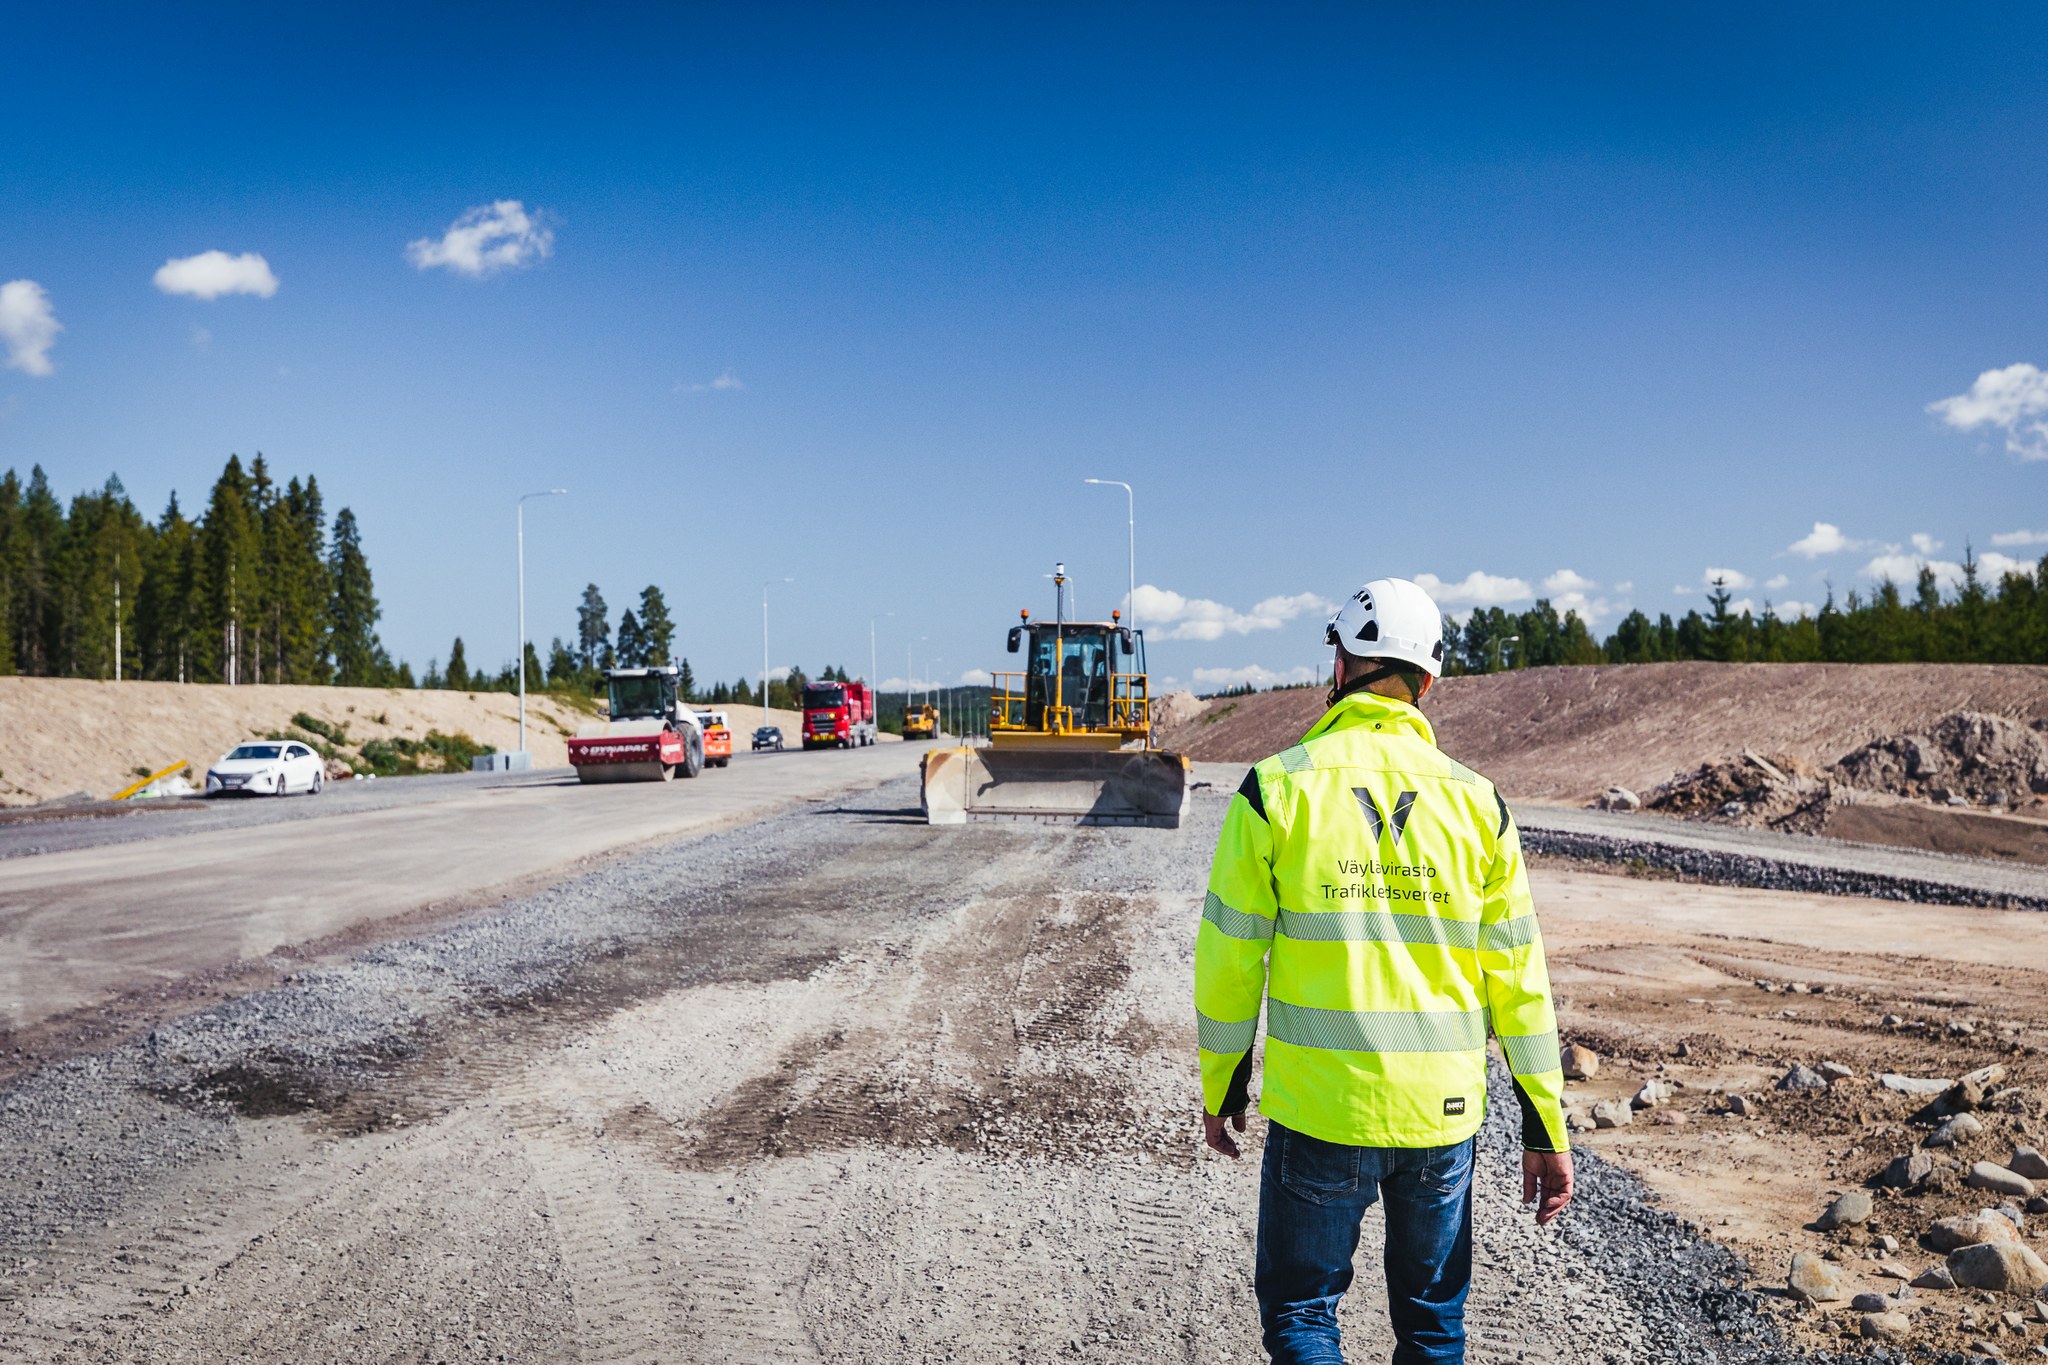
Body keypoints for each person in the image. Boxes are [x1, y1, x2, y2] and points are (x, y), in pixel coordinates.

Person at [1193, 577, 1572, 1365]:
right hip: (1441, 1113)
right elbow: (1519, 979)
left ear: (1341, 663)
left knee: (1304, 1312)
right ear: (1427, 682)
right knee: (1432, 1325)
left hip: (1321, 1108)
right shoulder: (1479, 804)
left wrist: (1222, 1080)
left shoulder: (1276, 788)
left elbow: (1230, 954)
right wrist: (1544, 1120)